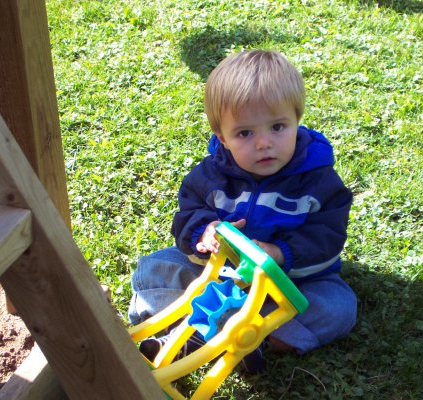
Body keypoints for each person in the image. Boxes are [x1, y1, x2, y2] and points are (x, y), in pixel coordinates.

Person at [128, 49, 357, 373]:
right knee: (157, 266)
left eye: (278, 127)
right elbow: (187, 214)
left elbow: (328, 235)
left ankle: (240, 331)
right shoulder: (209, 177)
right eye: (245, 133)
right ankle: (223, 332)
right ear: (222, 138)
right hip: (217, 276)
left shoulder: (319, 180)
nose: (264, 143)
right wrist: (203, 232)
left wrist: (280, 252)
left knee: (339, 306)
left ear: (296, 119)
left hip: (288, 286)